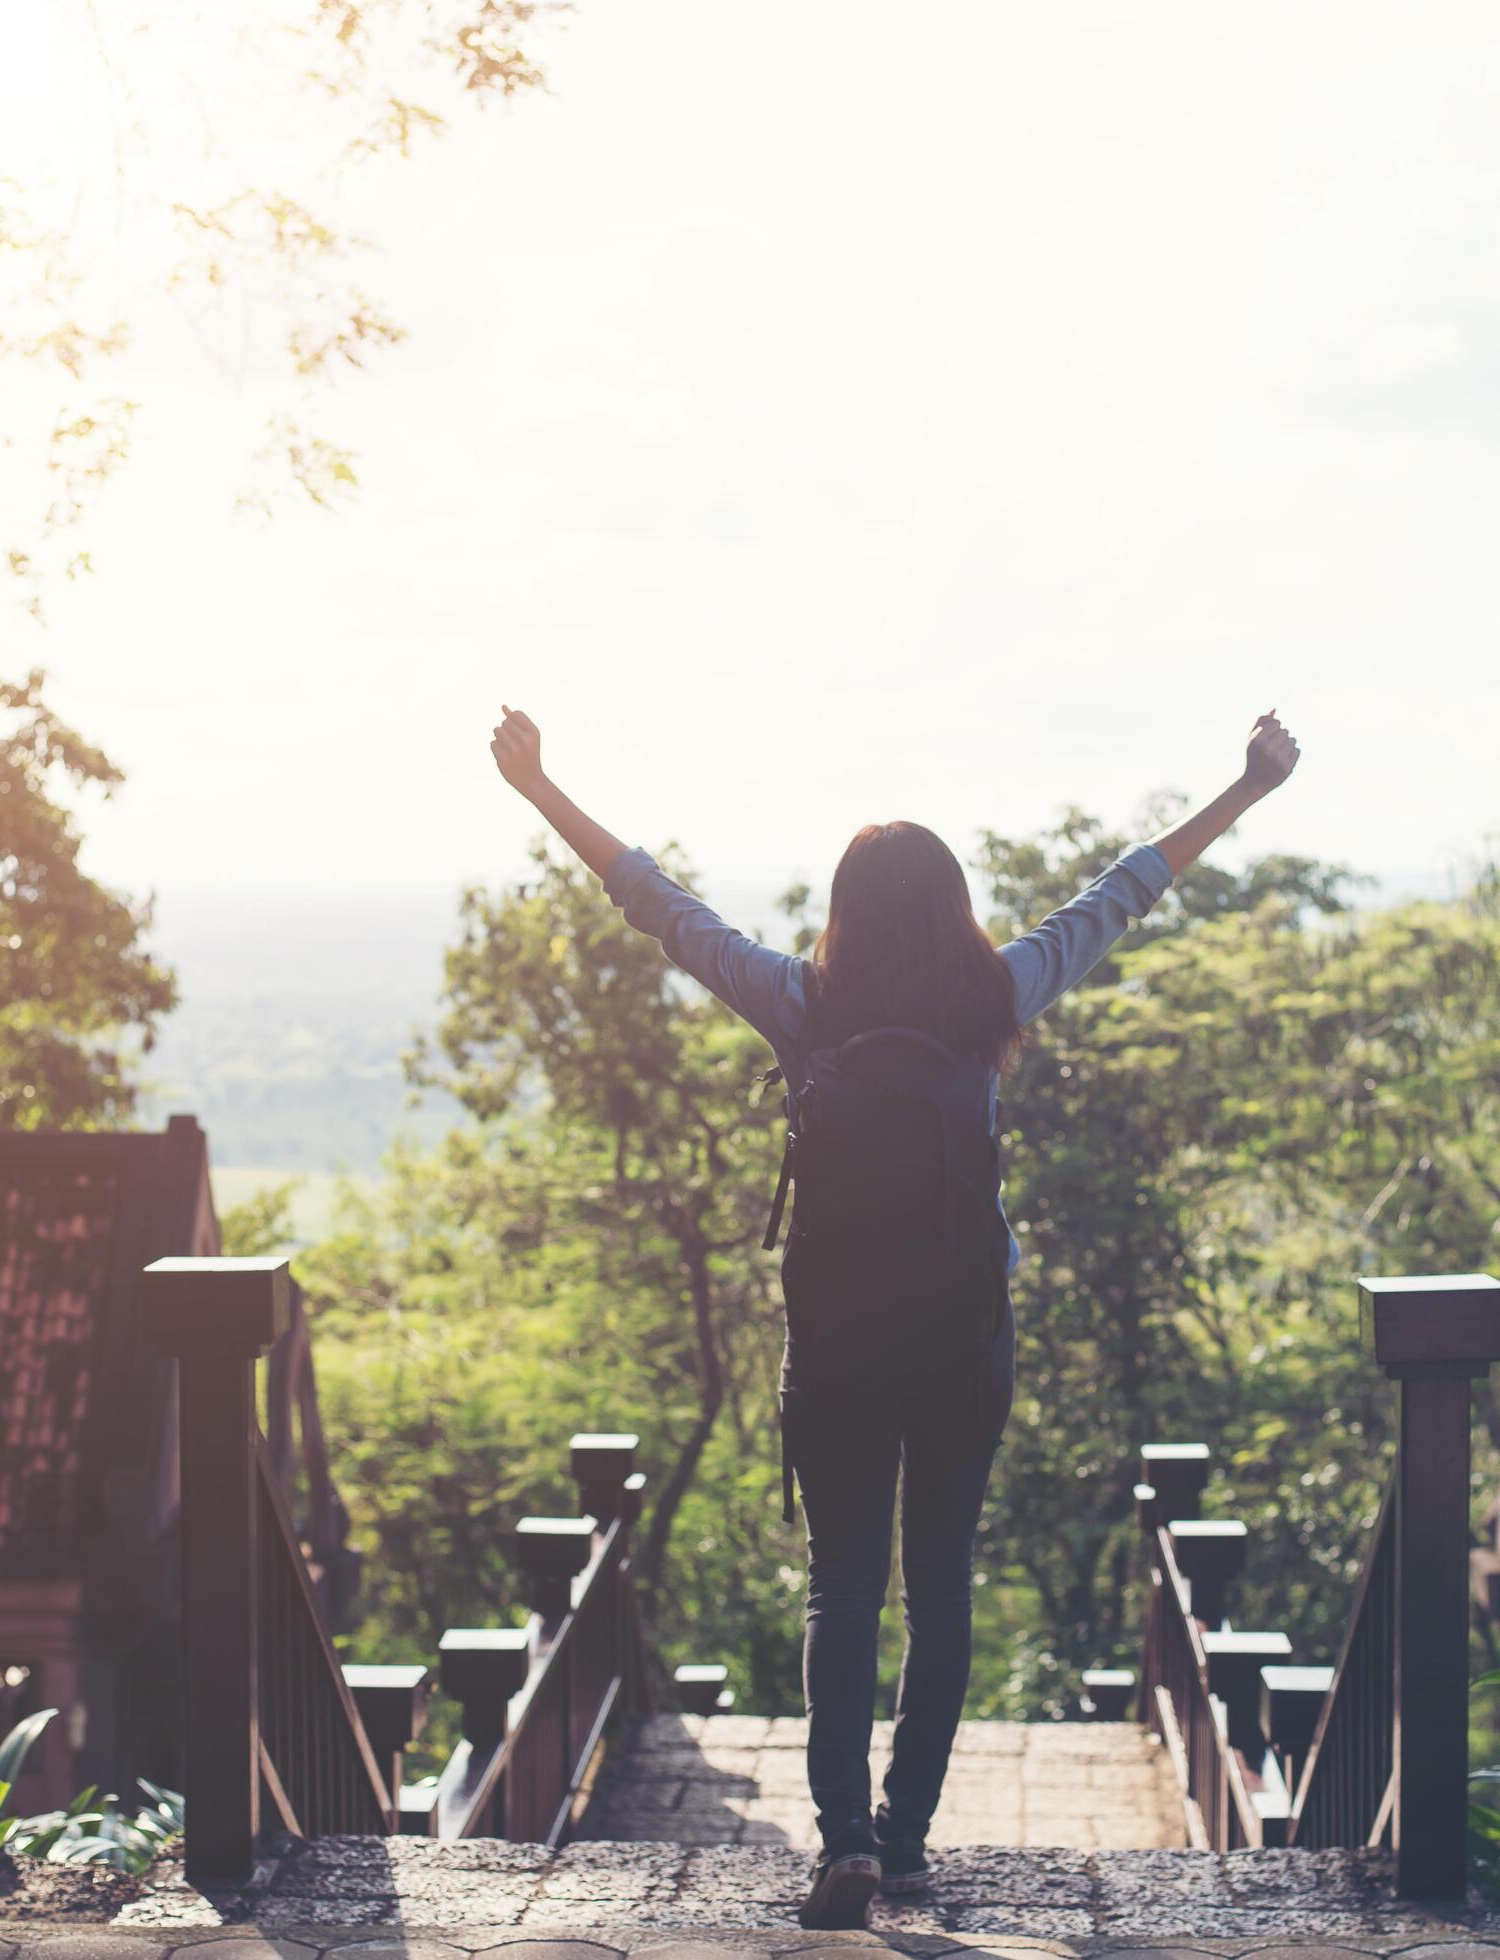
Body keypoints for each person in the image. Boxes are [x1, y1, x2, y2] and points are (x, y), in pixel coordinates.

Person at [487, 706, 1303, 1926]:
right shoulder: (996, 996)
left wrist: (538, 787)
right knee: (944, 1587)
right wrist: (1247, 789)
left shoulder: (803, 1003)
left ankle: (846, 1844)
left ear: (844, 908)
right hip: (964, 1335)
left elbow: (659, 906)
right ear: (954, 902)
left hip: (838, 1345)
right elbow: (1123, 893)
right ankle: (909, 1835)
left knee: (842, 1588)